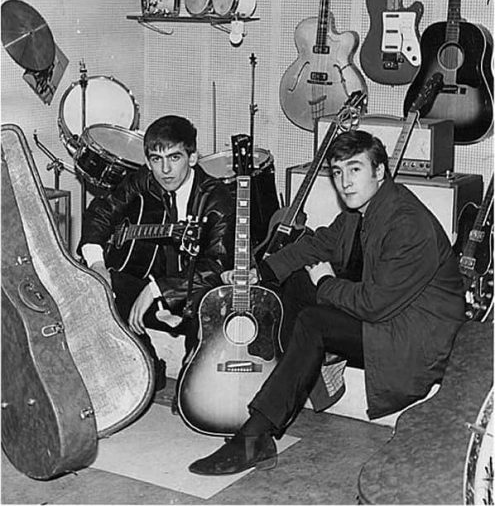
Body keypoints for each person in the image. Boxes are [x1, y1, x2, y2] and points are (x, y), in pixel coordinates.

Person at [188, 129, 466, 476]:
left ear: (379, 172)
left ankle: (254, 436)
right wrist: (258, 272)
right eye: (337, 172)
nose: (345, 182)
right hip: (389, 319)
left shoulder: (408, 224)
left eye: (355, 169)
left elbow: (374, 305)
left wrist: (327, 282)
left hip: (416, 336)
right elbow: (317, 245)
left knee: (315, 321)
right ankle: (282, 387)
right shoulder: (360, 210)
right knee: (295, 281)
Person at [78, 115, 236, 392]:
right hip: (155, 276)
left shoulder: (217, 198)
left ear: (193, 157)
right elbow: (101, 211)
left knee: (192, 393)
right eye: (155, 159)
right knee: (98, 287)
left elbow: (216, 265)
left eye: (174, 158)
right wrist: (97, 264)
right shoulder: (146, 179)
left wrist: (156, 289)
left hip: (195, 293)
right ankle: (147, 362)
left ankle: (193, 369)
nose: (165, 170)